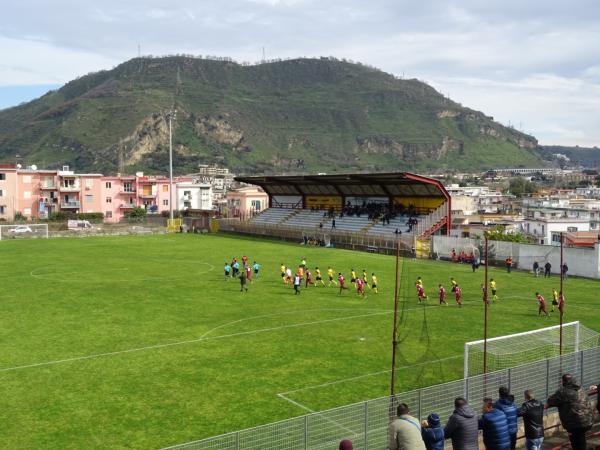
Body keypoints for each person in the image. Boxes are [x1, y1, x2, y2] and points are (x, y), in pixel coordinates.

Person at [546, 373, 593, 450]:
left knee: (576, 442)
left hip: (574, 424)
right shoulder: (580, 388)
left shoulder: (563, 392)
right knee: (581, 440)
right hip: (588, 420)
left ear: (563, 381)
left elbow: (551, 401)